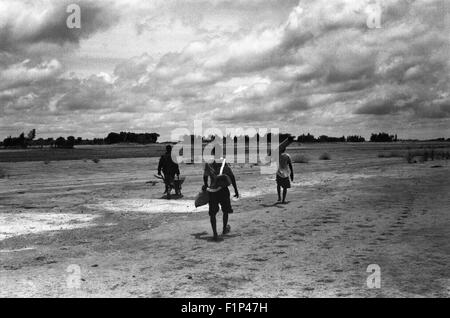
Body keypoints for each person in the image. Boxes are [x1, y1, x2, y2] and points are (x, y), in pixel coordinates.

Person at [203, 158, 239, 241]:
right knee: (225, 211)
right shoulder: (223, 163)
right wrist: (236, 190)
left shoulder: (208, 163)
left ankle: (215, 233)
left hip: (213, 191)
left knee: (212, 213)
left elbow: (205, 177)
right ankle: (224, 229)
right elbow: (231, 177)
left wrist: (206, 186)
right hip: (223, 190)